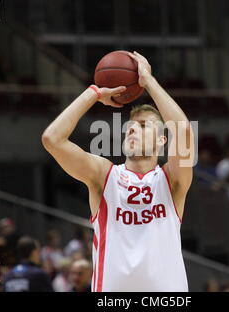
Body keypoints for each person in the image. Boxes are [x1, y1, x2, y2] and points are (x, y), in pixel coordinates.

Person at [42, 51, 194, 291]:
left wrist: (148, 82)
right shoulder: (105, 175)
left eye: (143, 126)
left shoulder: (171, 180)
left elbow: (183, 130)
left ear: (162, 140)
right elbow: (52, 139)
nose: (133, 130)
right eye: (131, 126)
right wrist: (93, 94)